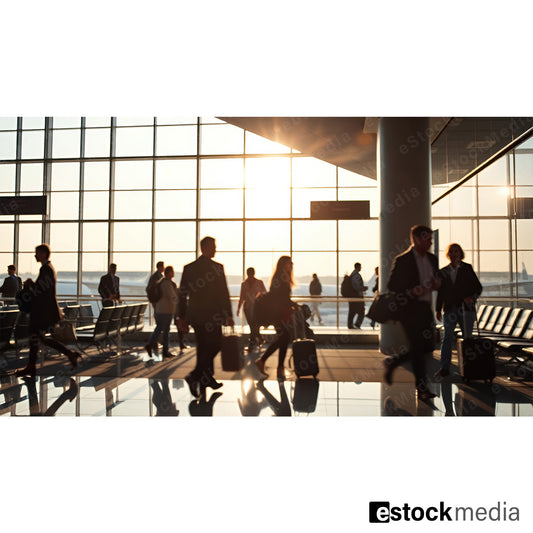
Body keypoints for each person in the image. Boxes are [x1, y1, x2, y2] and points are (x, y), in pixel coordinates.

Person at [383, 225, 441, 401]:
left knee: (424, 346)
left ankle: (394, 361)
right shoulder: (403, 260)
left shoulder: (432, 259)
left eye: (431, 239)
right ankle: (422, 389)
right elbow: (392, 285)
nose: (430, 242)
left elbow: (437, 280)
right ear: (415, 239)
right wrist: (412, 290)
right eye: (427, 238)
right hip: (409, 309)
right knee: (418, 347)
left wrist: (437, 284)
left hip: (425, 309)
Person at [177, 236, 234, 398]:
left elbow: (182, 294)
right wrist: (228, 314)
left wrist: (181, 316)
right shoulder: (218, 268)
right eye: (214, 246)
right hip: (213, 315)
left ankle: (206, 378)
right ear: (205, 248)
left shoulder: (189, 268)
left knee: (203, 346)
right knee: (215, 344)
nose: (216, 249)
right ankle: (195, 376)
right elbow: (224, 293)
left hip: (195, 315)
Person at [15, 244, 81, 378]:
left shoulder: (46, 269)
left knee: (37, 337)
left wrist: (30, 285)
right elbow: (44, 290)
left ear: (44, 254)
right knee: (38, 338)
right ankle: (33, 366)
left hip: (41, 312)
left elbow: (41, 291)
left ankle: (33, 366)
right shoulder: (48, 269)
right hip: (44, 311)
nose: (35, 255)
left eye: (37, 253)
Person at [435, 243, 483, 378]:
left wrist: (472, 298)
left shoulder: (467, 269)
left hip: (466, 309)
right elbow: (441, 292)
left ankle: (469, 369)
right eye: (451, 251)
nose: (454, 254)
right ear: (448, 254)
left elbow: (478, 288)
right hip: (450, 309)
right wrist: (438, 309)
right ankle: (445, 368)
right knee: (447, 338)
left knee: (467, 339)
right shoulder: (443, 271)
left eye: (456, 251)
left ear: (460, 253)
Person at [255, 256, 297, 380]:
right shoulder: (280, 278)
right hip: (277, 314)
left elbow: (282, 298)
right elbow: (279, 298)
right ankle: (267, 362)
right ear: (283, 265)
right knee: (284, 337)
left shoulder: (282, 278)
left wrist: (292, 304)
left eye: (291, 264)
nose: (291, 266)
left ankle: (277, 367)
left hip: (278, 313)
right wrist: (293, 305)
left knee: (283, 338)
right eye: (289, 264)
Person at [145, 265, 178, 359]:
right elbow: (172, 297)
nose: (174, 273)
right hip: (166, 310)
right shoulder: (167, 283)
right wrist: (177, 302)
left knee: (159, 328)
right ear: (169, 273)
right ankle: (165, 350)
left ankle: (151, 344)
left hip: (159, 309)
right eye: (172, 271)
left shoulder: (161, 282)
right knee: (166, 331)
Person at [237, 267, 267, 351]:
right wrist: (238, 308)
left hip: (257, 307)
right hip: (248, 307)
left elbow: (264, 293)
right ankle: (259, 339)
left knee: (254, 325)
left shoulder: (259, 282)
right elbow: (242, 297)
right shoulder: (244, 284)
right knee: (252, 325)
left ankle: (252, 344)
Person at [348, 262, 367, 329]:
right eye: (360, 267)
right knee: (361, 311)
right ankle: (357, 324)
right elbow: (357, 286)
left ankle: (351, 325)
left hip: (353, 296)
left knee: (352, 311)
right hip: (357, 296)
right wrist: (363, 288)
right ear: (358, 267)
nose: (361, 268)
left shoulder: (352, 275)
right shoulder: (356, 275)